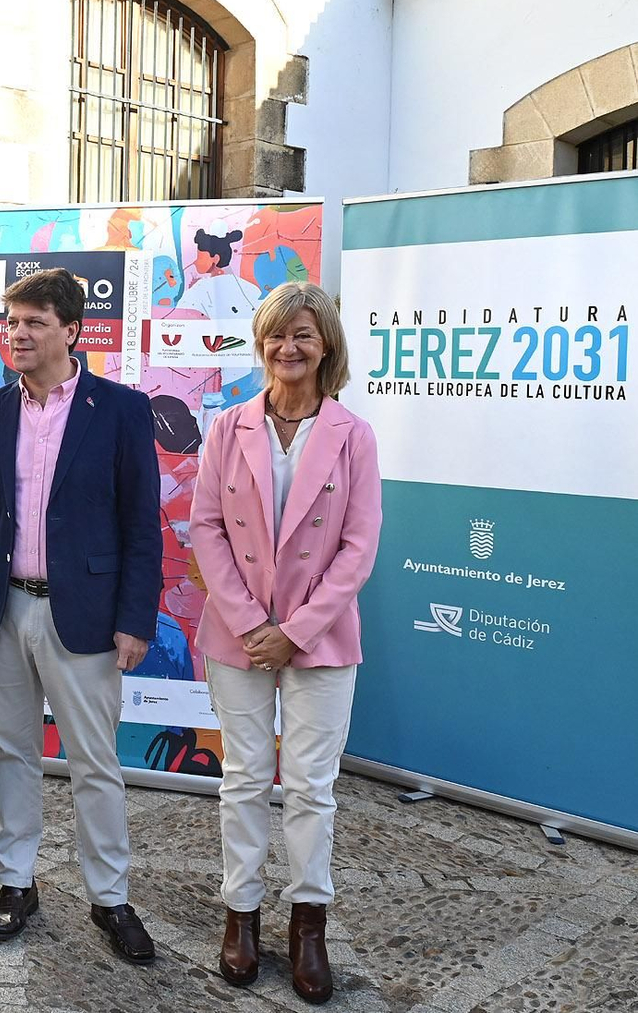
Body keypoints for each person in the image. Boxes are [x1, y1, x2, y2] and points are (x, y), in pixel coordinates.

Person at [189, 282, 381, 1004]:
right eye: (276, 334)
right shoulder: (228, 426)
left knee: (310, 787)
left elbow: (359, 546)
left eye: (302, 334)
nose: (287, 347)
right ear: (261, 342)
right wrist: (249, 623)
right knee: (242, 778)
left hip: (321, 640)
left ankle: (308, 926)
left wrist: (294, 631)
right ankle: (241, 914)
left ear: (325, 342)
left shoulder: (352, 434)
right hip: (238, 635)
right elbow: (205, 526)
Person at [0, 268, 163, 961]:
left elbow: (143, 522)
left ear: (71, 331)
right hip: (8, 607)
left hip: (85, 614)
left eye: (33, 323)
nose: (17, 334)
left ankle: (110, 898)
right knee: (13, 750)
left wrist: (136, 617)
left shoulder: (121, 409)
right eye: (11, 322)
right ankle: (16, 882)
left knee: (94, 762)